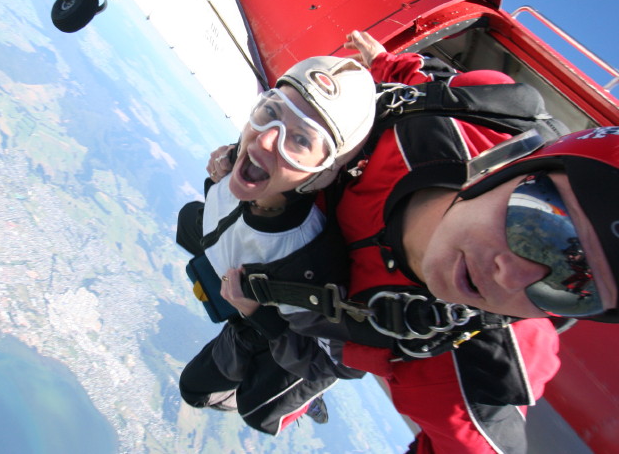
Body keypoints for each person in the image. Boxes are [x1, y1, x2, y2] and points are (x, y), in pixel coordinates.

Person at [220, 31, 618, 453]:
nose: (514, 275)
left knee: (259, 407)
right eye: (540, 227)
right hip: (295, 266)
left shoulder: (472, 372)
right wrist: (386, 63)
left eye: (576, 289)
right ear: (512, 166)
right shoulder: (455, 119)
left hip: (319, 336)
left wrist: (264, 319)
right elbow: (423, 84)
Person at [176, 56, 376, 435]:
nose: (266, 138)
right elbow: (223, 226)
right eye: (269, 111)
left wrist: (259, 315)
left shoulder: (304, 264)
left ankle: (307, 399)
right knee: (195, 390)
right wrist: (223, 181)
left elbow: (336, 362)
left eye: (299, 139)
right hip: (255, 303)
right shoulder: (241, 168)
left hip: (288, 328)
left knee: (259, 411)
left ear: (323, 173)